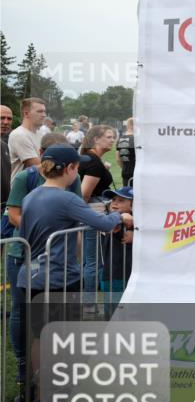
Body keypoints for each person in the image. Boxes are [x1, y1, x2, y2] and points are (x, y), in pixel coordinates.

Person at [17, 144, 131, 384]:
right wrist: (120, 216)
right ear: (69, 169)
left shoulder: (30, 196)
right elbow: (103, 223)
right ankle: (61, 386)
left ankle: (39, 392)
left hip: (31, 275)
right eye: (77, 169)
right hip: (59, 276)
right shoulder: (67, 198)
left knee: (40, 336)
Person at [3, 133, 83, 392]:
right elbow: (14, 214)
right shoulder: (26, 178)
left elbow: (76, 215)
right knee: (22, 313)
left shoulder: (73, 178)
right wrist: (45, 226)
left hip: (58, 261)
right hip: (23, 255)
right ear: (41, 153)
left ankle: (54, 379)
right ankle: (25, 370)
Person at [78, 124, 117, 302]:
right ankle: (89, 302)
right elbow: (84, 194)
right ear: (96, 139)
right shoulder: (93, 161)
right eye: (109, 136)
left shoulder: (91, 159)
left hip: (89, 214)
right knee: (93, 260)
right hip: (92, 214)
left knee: (90, 258)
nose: (112, 140)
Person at [100, 186, 135, 313]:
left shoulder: (137, 223)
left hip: (128, 276)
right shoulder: (112, 219)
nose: (114, 203)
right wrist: (122, 217)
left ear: (133, 205)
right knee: (113, 314)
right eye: (114, 199)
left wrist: (135, 233)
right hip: (112, 276)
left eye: (121, 200)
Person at [8, 97, 46, 179]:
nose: (44, 115)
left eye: (44, 111)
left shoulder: (41, 133)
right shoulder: (19, 135)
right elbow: (38, 166)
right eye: (39, 111)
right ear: (26, 114)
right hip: (22, 189)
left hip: (36, 186)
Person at [116, 117, 136, 186]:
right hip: (136, 172)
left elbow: (118, 159)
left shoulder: (120, 139)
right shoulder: (137, 139)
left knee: (126, 194)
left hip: (125, 171)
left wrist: (125, 167)